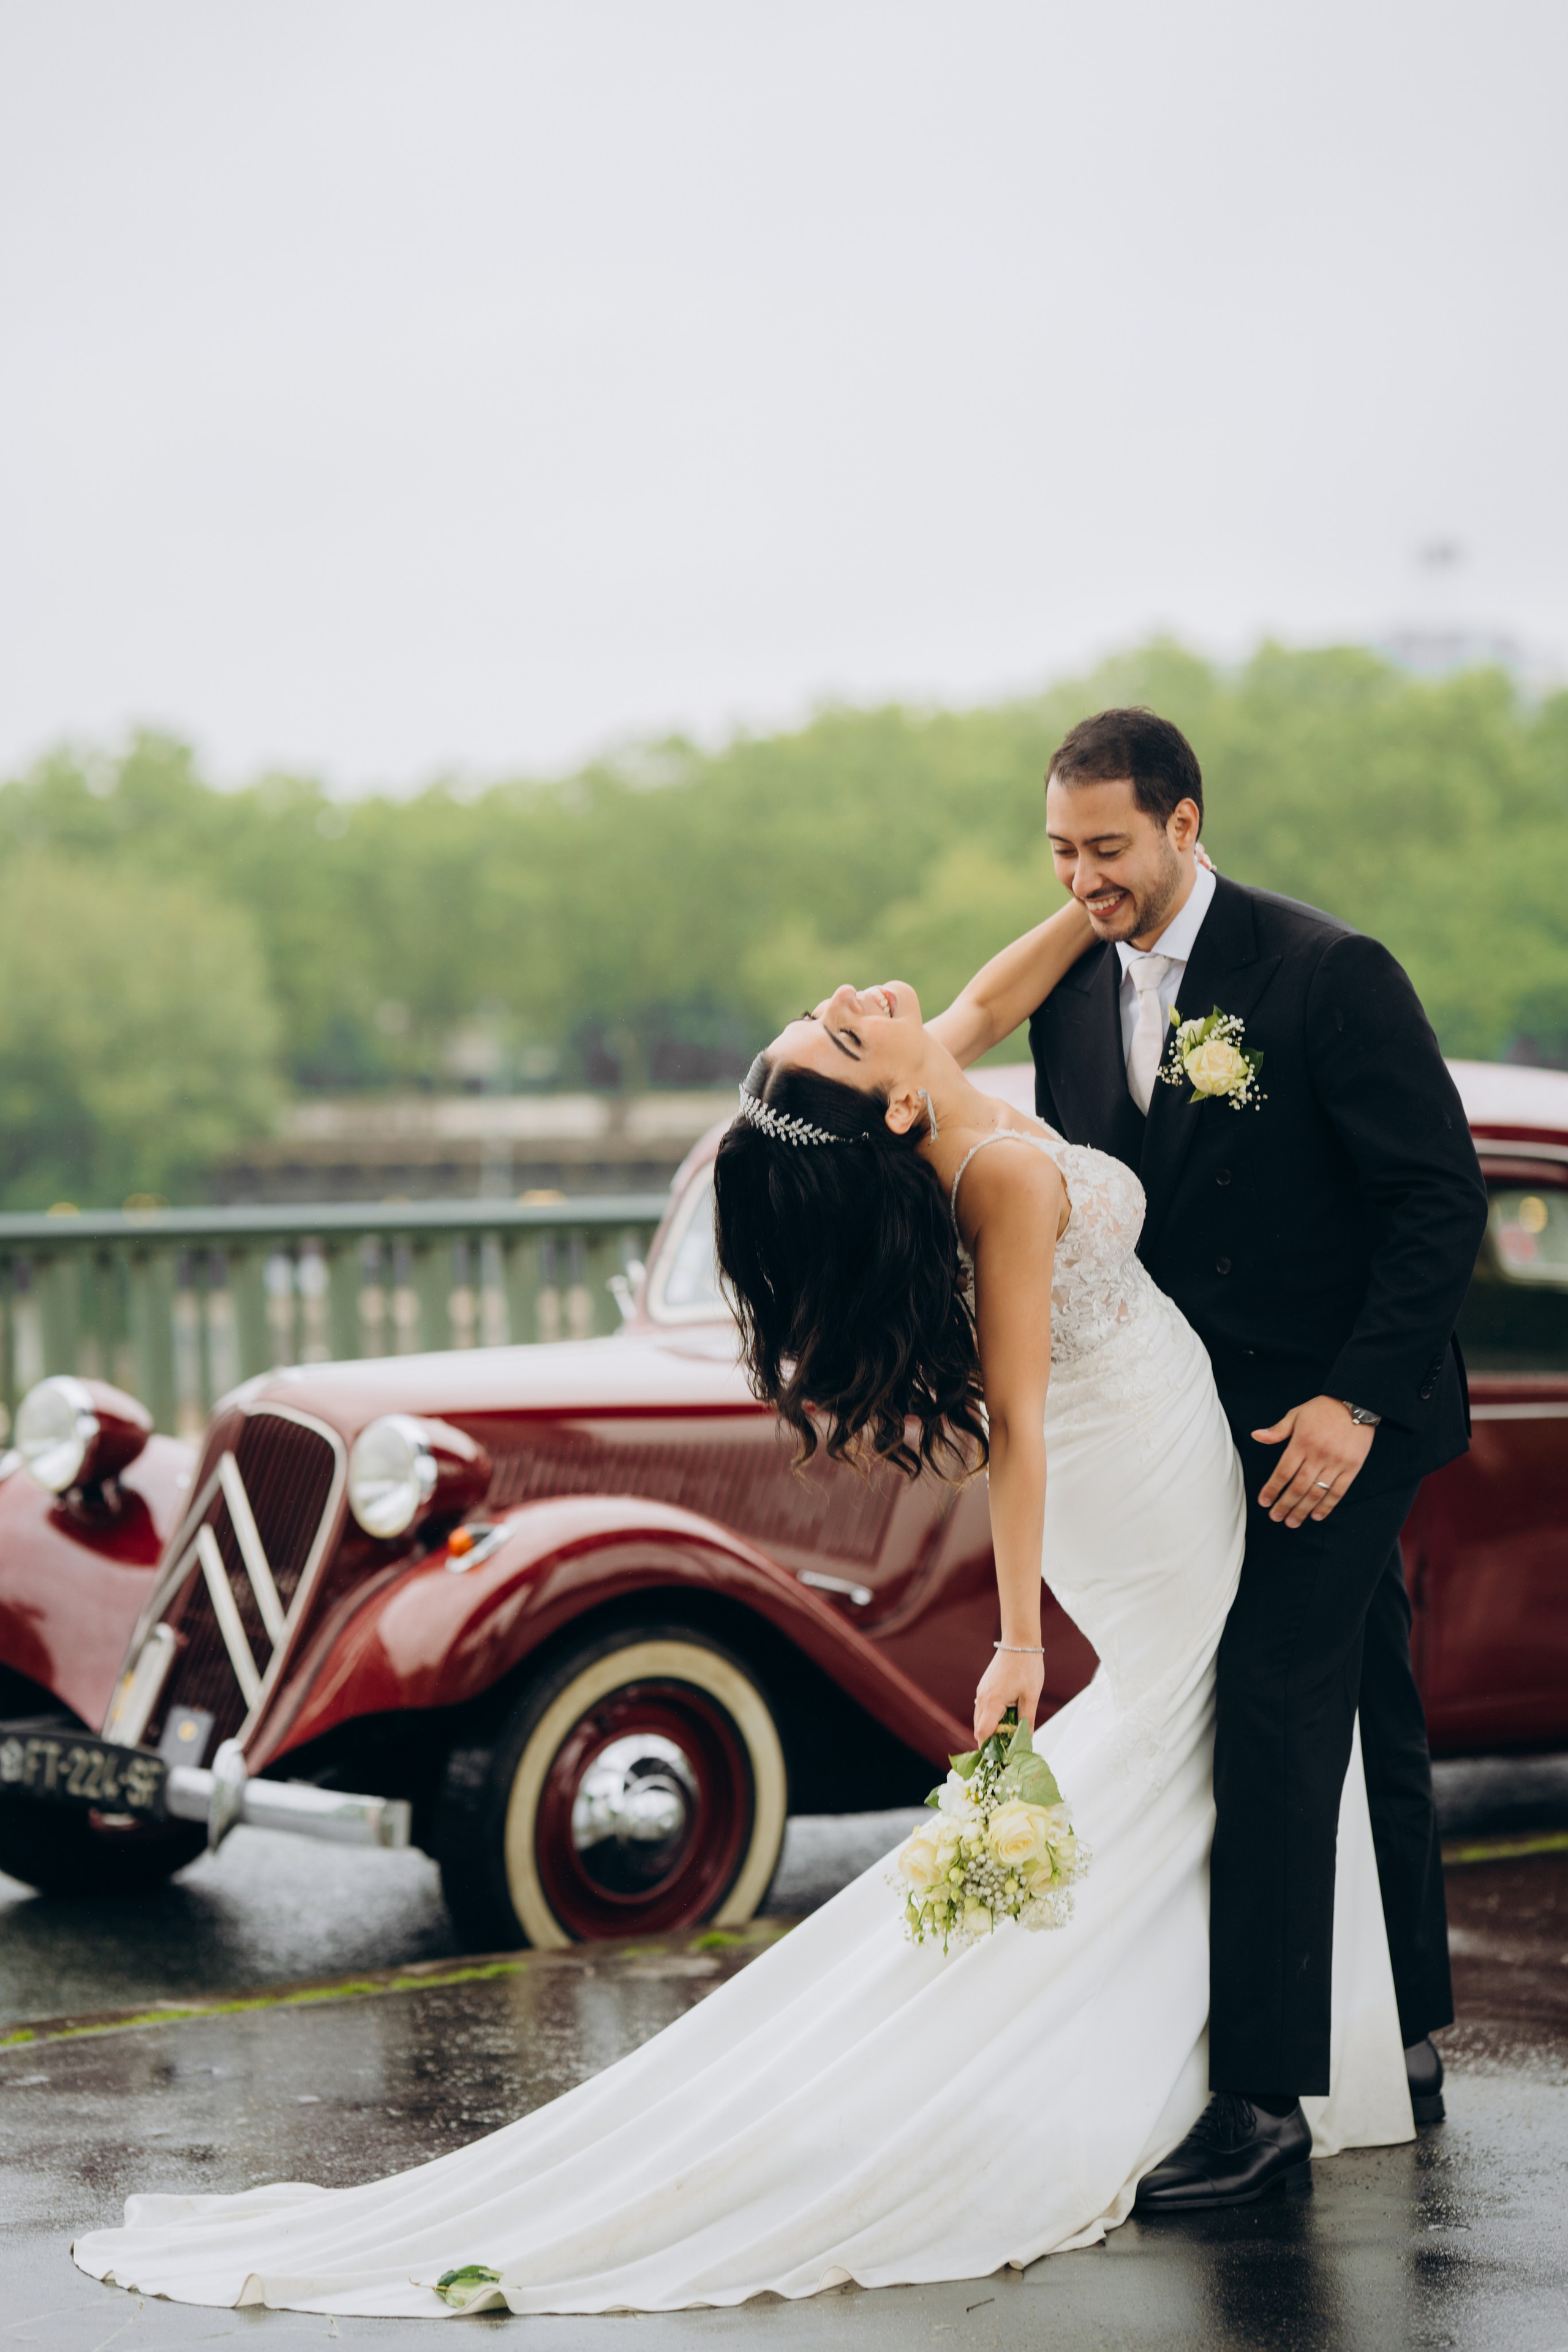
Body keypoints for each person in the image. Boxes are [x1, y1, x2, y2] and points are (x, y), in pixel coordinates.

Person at [73, 896, 1417, 2317]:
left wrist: (1090, 898)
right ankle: (1149, 2060)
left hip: (1152, 1431)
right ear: (890, 1092)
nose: (853, 993)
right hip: (1128, 1477)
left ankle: (1254, 2052)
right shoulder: (996, 1182)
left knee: (1241, 1736)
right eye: (838, 1026)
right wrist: (1017, 1638)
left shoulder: (923, 1085)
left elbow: (991, 987)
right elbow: (1015, 1428)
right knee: (1191, 1726)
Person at [946, 706, 1488, 2206]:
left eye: (1106, 849)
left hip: (1332, 1413)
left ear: (1186, 824)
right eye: (1057, 852)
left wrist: (1351, 1407)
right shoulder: (1069, 980)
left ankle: (1259, 2100)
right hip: (1190, 1413)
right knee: (1366, 1690)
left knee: (1269, 1697)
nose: (1079, 880)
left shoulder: (1326, 973)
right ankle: (1408, 2032)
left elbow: (1437, 1200)